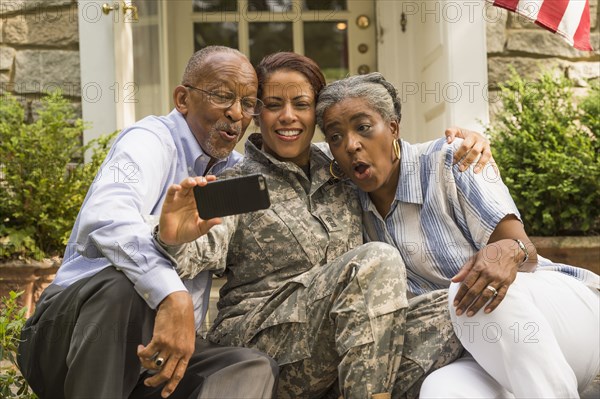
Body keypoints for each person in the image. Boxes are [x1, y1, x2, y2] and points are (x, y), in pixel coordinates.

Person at [155, 52, 491, 399]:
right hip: (264, 345)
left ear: (315, 114)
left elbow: (394, 155)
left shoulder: (342, 166)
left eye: (301, 104)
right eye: (273, 105)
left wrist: (461, 145)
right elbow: (197, 246)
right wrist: (173, 236)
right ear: (257, 114)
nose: (288, 116)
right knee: (377, 259)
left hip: (350, 346)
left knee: (462, 306)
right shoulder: (238, 182)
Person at [315, 72, 600, 398]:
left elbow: (526, 251)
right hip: (480, 351)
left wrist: (506, 252)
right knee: (441, 391)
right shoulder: (344, 200)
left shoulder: (452, 159)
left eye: (363, 127)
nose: (350, 144)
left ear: (392, 127)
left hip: (561, 320)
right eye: (335, 137)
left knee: (470, 293)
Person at [16, 46, 278, 399]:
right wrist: (172, 294)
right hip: (67, 340)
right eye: (222, 96)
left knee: (249, 367)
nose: (236, 113)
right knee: (123, 287)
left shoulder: (233, 171)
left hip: (154, 358)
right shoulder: (149, 140)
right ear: (182, 99)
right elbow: (107, 216)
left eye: (248, 103)